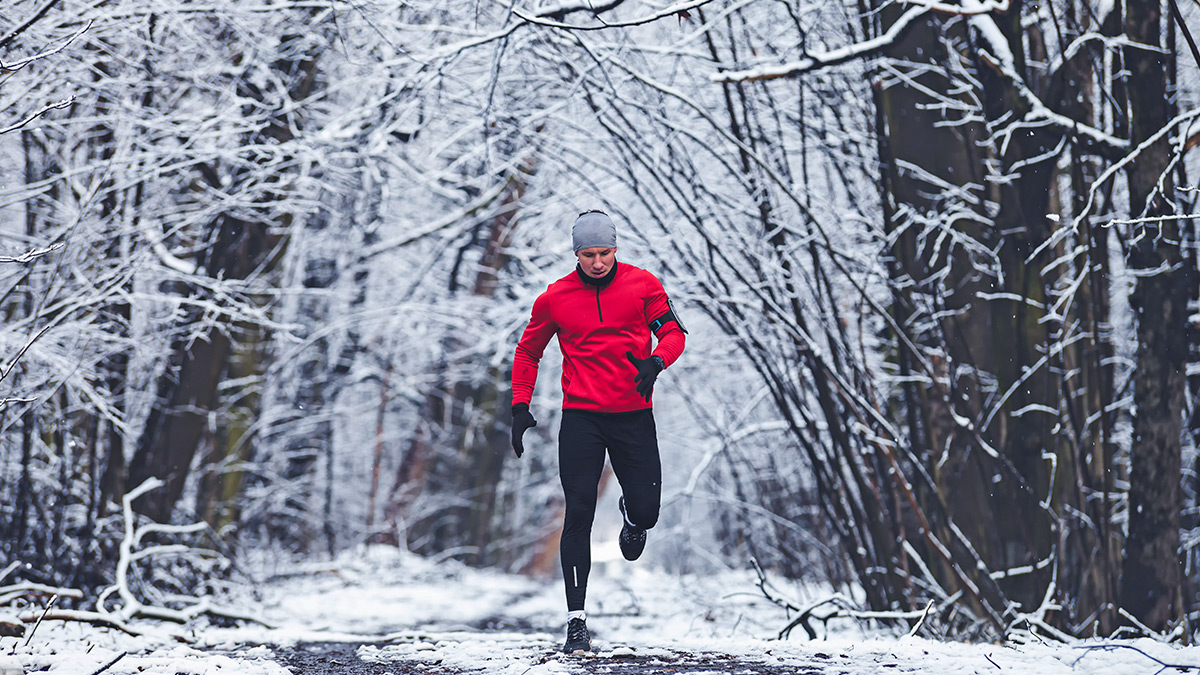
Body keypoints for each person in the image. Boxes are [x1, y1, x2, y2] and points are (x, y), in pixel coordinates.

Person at [509, 209, 687, 654]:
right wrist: (519, 404)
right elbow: (528, 352)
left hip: (633, 415)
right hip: (582, 418)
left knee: (647, 512)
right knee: (579, 515)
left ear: (615, 249)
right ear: (576, 254)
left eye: (605, 252)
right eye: (588, 254)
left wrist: (656, 361)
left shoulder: (643, 285)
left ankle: (632, 514)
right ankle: (576, 623)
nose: (597, 262)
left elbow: (674, 333)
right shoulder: (555, 298)